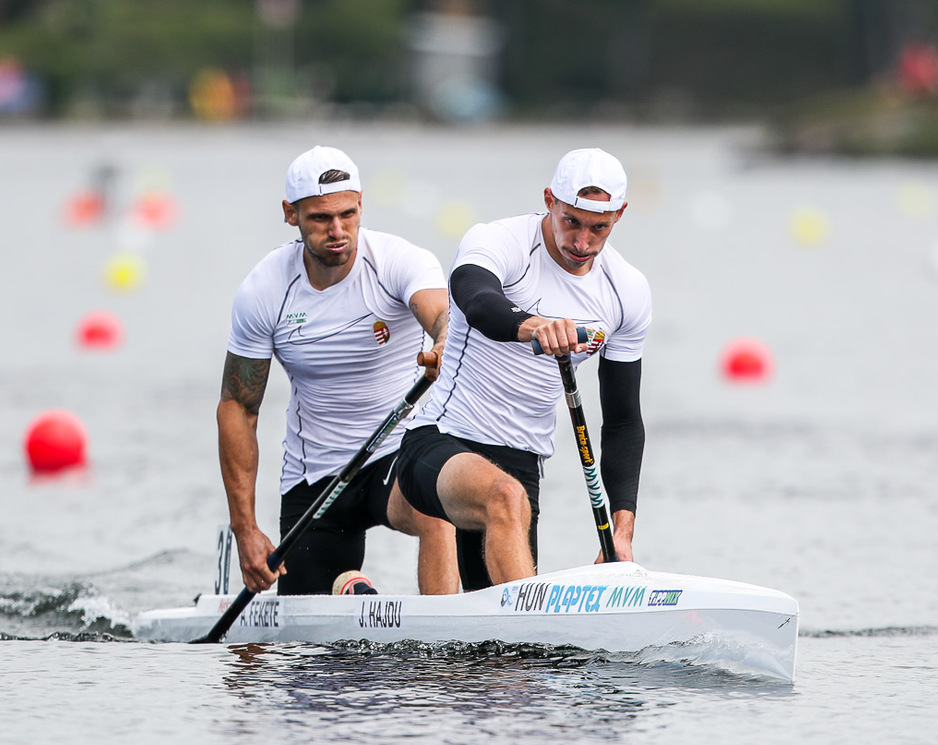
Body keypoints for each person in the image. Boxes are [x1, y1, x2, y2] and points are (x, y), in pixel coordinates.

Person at [393, 147, 652, 591]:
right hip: (441, 440)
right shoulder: (502, 242)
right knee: (505, 499)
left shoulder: (626, 291)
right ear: (550, 199)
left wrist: (622, 529)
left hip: (521, 465)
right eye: (571, 220)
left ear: (620, 215)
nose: (581, 242)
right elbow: (474, 298)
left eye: (599, 228)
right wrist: (531, 326)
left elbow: (624, 420)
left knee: (492, 644)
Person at [217, 145, 459, 596]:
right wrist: (245, 529)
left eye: (348, 214)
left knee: (435, 506)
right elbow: (238, 407)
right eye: (320, 219)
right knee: (308, 657)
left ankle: (442, 644)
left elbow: (440, 314)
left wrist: (444, 340)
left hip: (395, 453)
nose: (338, 231)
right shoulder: (265, 289)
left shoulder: (399, 260)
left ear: (362, 204)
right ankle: (350, 589)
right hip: (316, 478)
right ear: (290, 214)